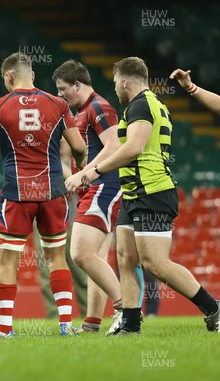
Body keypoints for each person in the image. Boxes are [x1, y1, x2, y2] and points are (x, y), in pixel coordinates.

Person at [82, 57, 220, 334]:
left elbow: (133, 148)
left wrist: (95, 170)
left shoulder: (142, 105)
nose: (115, 89)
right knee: (125, 257)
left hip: (153, 191)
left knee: (155, 263)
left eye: (115, 83)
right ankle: (131, 324)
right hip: (135, 192)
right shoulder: (146, 104)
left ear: (124, 81)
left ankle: (214, 309)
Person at [0, 52, 86, 337]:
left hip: (17, 194)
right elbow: (78, 146)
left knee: (7, 262)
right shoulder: (58, 103)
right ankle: (66, 326)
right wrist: (82, 168)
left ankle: (4, 329)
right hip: (52, 192)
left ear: (8, 77)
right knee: (56, 259)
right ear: (33, 76)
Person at [52, 59, 124, 333]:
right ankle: (93, 321)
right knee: (95, 258)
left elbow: (115, 145)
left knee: (80, 253)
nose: (60, 95)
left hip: (103, 186)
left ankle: (126, 311)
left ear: (77, 85)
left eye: (62, 89)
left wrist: (86, 174)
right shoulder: (83, 110)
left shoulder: (99, 107)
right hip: (93, 188)